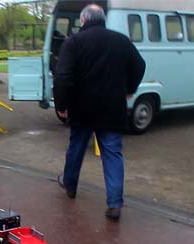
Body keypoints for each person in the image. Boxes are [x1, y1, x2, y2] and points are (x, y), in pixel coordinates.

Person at [54, 5, 145, 221]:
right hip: (112, 108)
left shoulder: (73, 42)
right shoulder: (121, 41)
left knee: (76, 147)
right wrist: (129, 89)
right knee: (112, 153)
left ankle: (70, 185)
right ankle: (114, 203)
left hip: (82, 108)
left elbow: (62, 76)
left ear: (83, 20)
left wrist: (61, 105)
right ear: (103, 20)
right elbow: (139, 65)